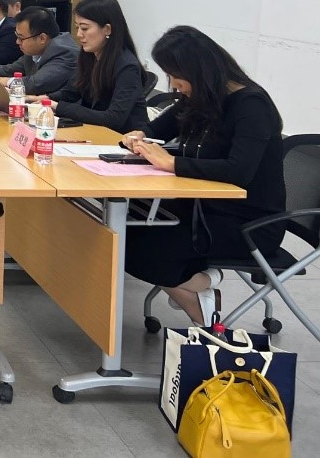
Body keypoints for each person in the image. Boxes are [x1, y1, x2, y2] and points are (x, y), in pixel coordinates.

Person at [123, 26, 286, 327]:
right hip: (203, 208)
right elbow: (158, 129)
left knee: (138, 249)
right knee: (123, 231)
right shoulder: (201, 97)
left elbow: (238, 171)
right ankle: (200, 287)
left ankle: (203, 301)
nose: (174, 84)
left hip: (248, 223)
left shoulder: (252, 106)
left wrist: (172, 164)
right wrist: (139, 136)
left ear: (197, 71)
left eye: (176, 75)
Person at [32, 0, 148, 131]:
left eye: (85, 28)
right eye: (77, 28)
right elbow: (71, 92)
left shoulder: (127, 66)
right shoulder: (89, 56)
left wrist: (57, 106)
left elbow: (113, 119)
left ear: (107, 29)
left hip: (124, 138)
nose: (79, 34)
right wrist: (43, 99)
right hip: (95, 133)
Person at [0, 6, 79, 95]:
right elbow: (9, 69)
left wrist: (6, 81)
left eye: (21, 38)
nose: (17, 42)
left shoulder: (65, 52)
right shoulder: (34, 50)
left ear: (42, 38)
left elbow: (36, 84)